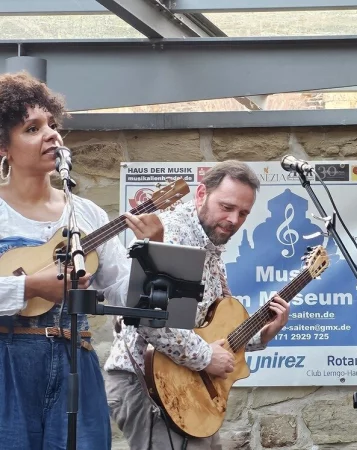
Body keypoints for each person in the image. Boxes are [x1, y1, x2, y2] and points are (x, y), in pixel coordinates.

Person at [0, 71, 164, 450]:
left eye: (52, 125)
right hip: (8, 365)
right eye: (32, 128)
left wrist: (151, 250)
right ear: (3, 145)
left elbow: (126, 297)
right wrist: (31, 286)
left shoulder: (86, 213)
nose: (51, 135)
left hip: (76, 361)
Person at [104, 160, 291, 450]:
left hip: (186, 383)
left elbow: (210, 328)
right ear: (201, 194)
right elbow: (148, 319)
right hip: (149, 383)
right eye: (226, 207)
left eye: (243, 213)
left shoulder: (211, 246)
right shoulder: (171, 234)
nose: (234, 219)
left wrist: (262, 334)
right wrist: (205, 357)